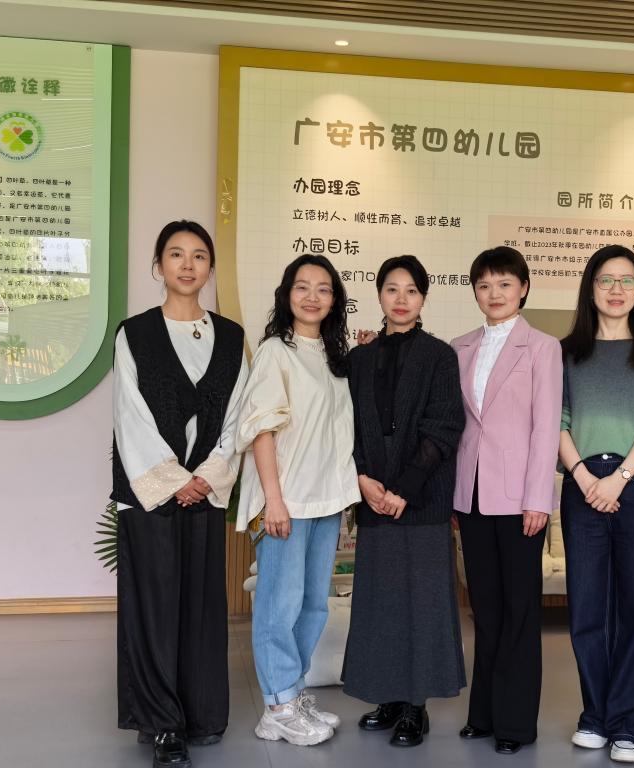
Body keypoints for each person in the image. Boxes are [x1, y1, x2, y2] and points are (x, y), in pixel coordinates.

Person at [112, 220, 248, 768]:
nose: (187, 264)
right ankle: (162, 723)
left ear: (210, 268)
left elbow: (238, 417)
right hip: (150, 493)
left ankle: (202, 713)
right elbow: (129, 416)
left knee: (201, 606)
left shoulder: (232, 337)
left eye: (198, 255)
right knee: (153, 607)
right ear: (158, 266)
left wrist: (207, 477)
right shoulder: (134, 333)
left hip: (205, 490)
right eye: (175, 254)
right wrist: (174, 480)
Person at [557, 244, 634, 764]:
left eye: (627, 280)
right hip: (583, 482)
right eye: (606, 279)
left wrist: (620, 479)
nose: (616, 289)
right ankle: (596, 716)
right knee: (588, 609)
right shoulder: (566, 352)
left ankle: (630, 725)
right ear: (590, 288)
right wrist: (585, 477)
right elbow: (556, 421)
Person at [341, 255, 467, 747]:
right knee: (381, 603)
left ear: (423, 299)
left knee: (424, 604)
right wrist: (364, 480)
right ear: (378, 295)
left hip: (423, 499)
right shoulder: (359, 359)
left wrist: (404, 490)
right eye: (392, 289)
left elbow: (444, 426)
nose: (401, 299)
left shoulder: (440, 356)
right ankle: (388, 696)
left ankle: (416, 706)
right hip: (373, 497)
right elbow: (346, 427)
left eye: (411, 290)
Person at [236, 254, 361, 746]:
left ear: (335, 300)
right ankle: (277, 707)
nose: (312, 297)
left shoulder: (333, 358)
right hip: (286, 502)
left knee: (312, 606)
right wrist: (273, 500)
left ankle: (292, 692)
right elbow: (262, 430)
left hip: (325, 501)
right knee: (279, 605)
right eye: (302, 287)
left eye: (323, 288)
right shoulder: (275, 352)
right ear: (287, 294)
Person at [451, 246, 563, 755]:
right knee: (486, 608)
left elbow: (546, 428)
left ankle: (515, 723)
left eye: (504, 284)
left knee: (519, 610)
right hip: (471, 495)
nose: (493, 294)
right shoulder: (459, 347)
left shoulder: (542, 347)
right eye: (484, 285)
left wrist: (538, 497)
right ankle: (484, 713)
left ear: (523, 289)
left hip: (520, 499)